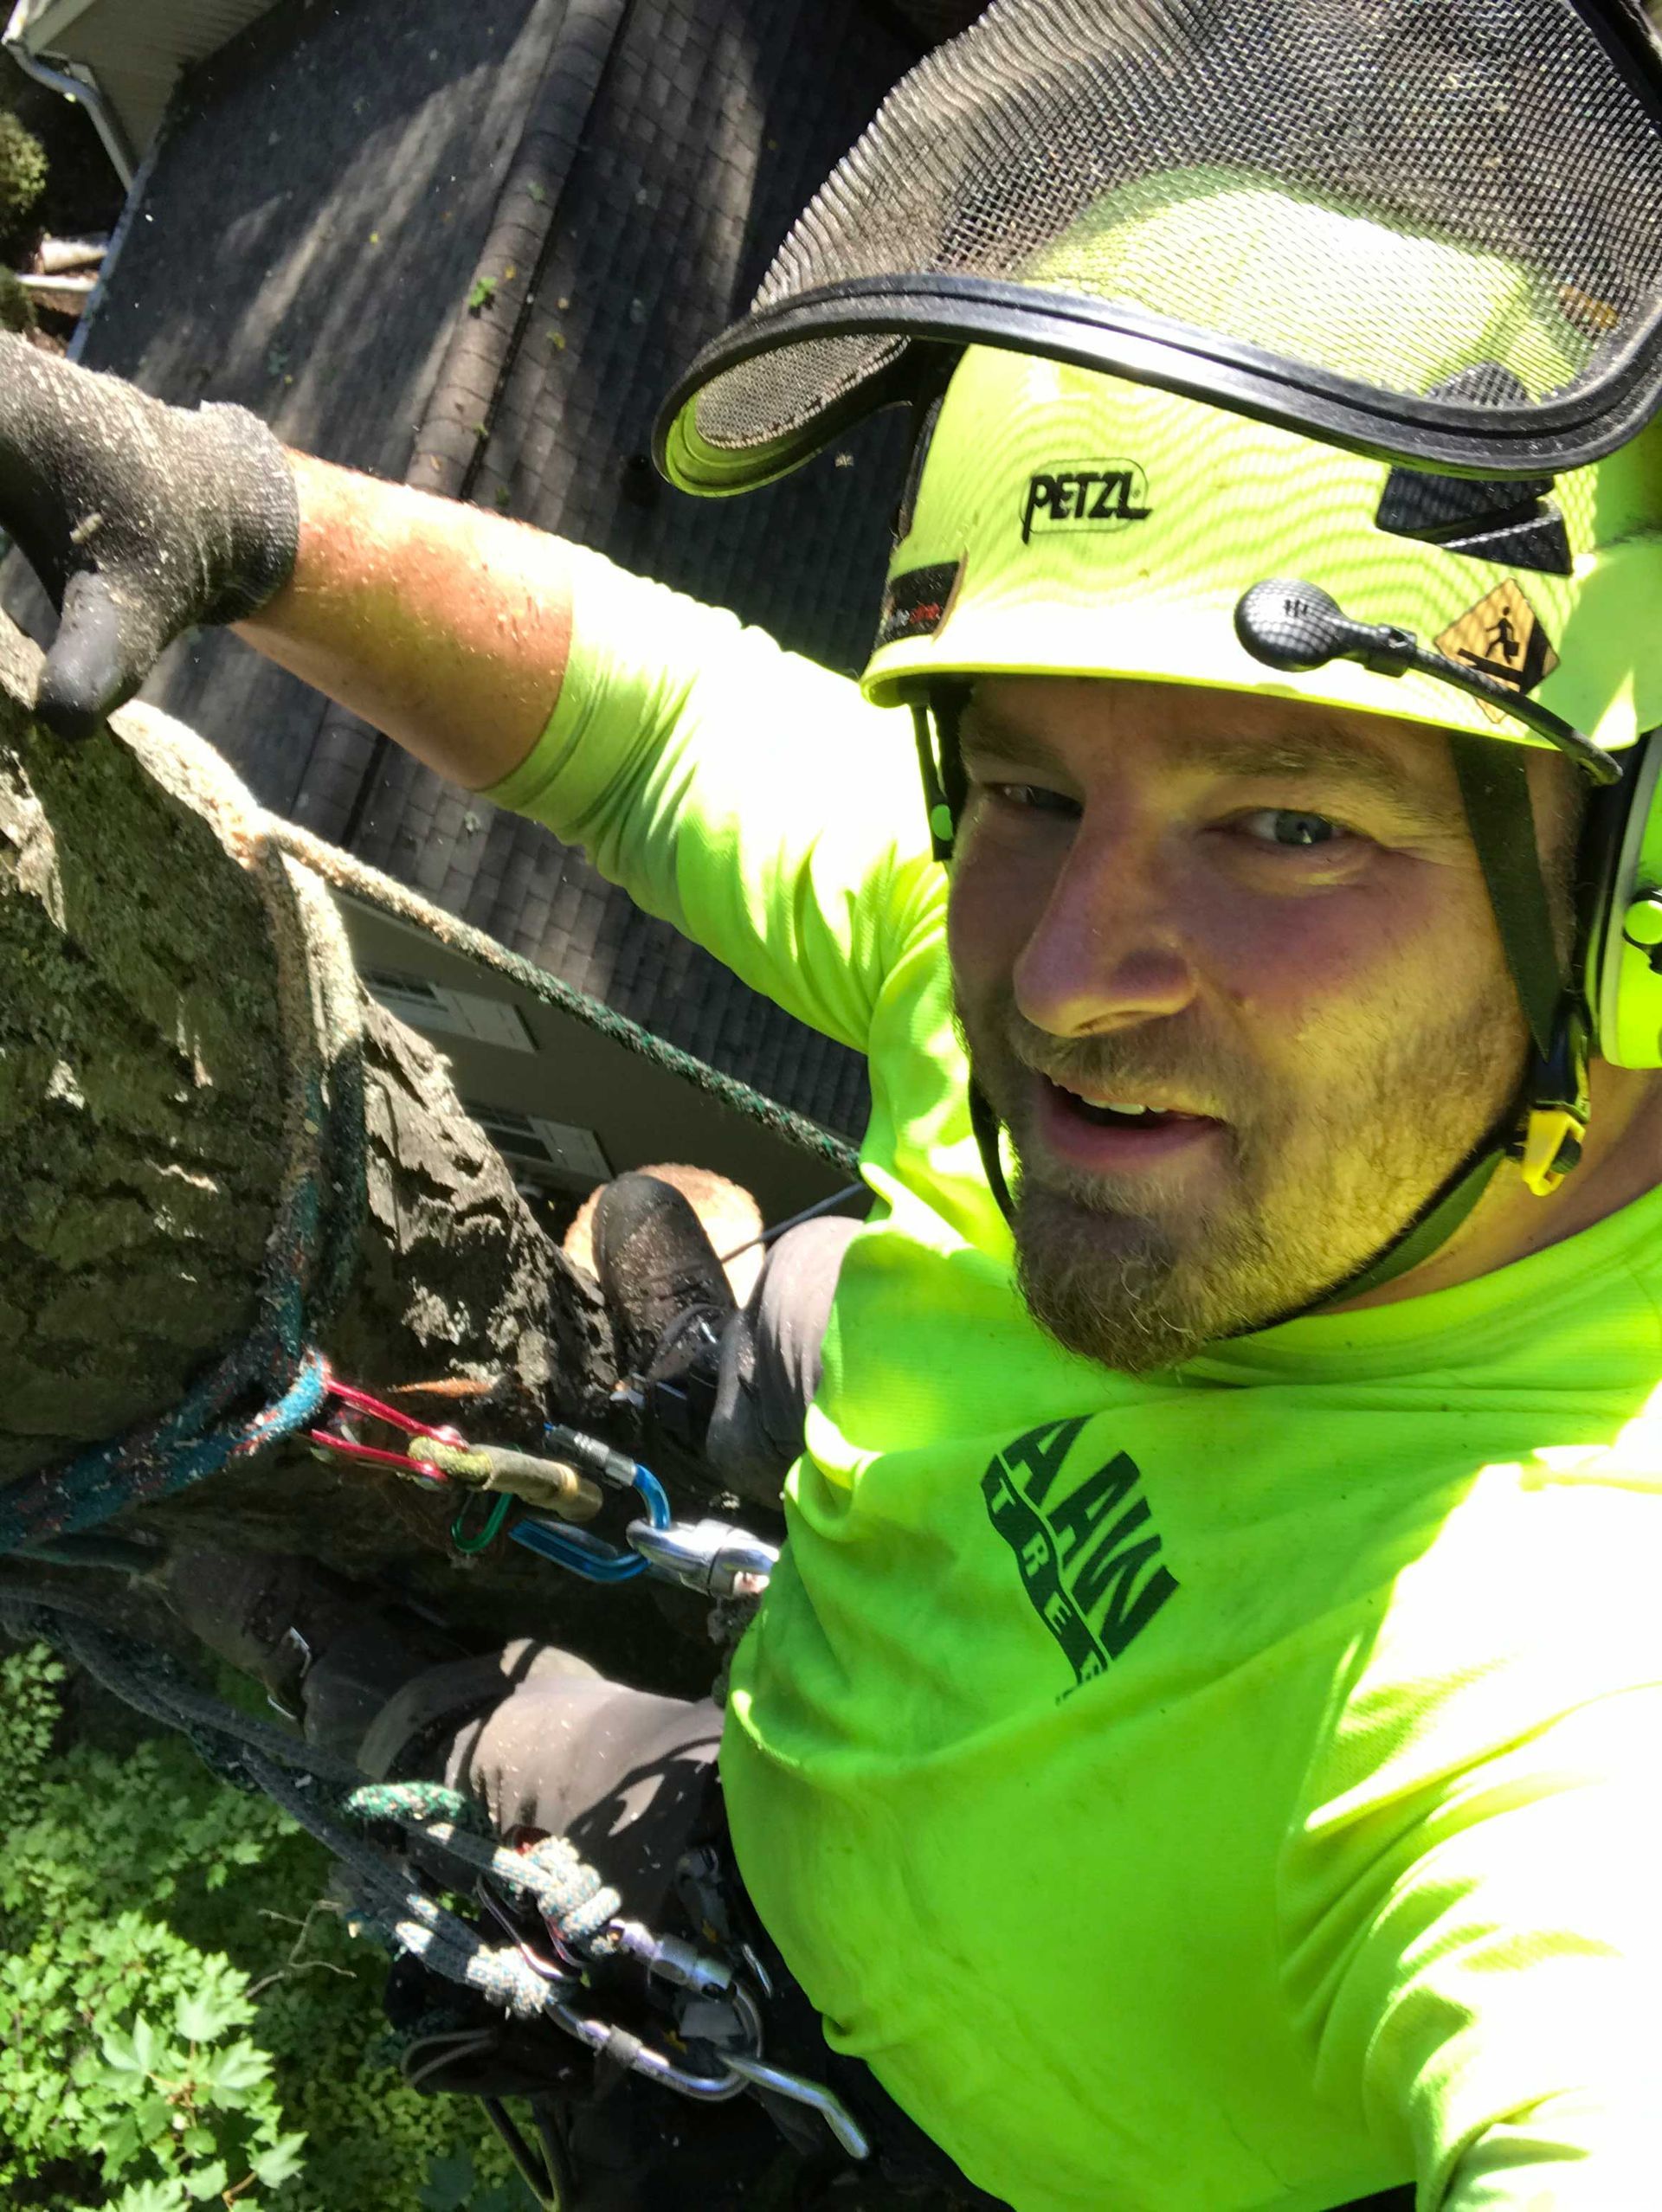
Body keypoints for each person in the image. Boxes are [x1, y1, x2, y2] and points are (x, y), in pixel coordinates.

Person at [9, 16, 1662, 2201]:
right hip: (918, 1589)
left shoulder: (1552, 1683)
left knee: (481, 1755)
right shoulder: (1061, 934)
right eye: (1026, 781)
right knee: (792, 1288)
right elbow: (655, 721)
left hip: (878, 2103)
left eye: (1289, 825)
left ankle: (497, 1672)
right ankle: (715, 1361)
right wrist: (246, 512)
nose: (1062, 984)